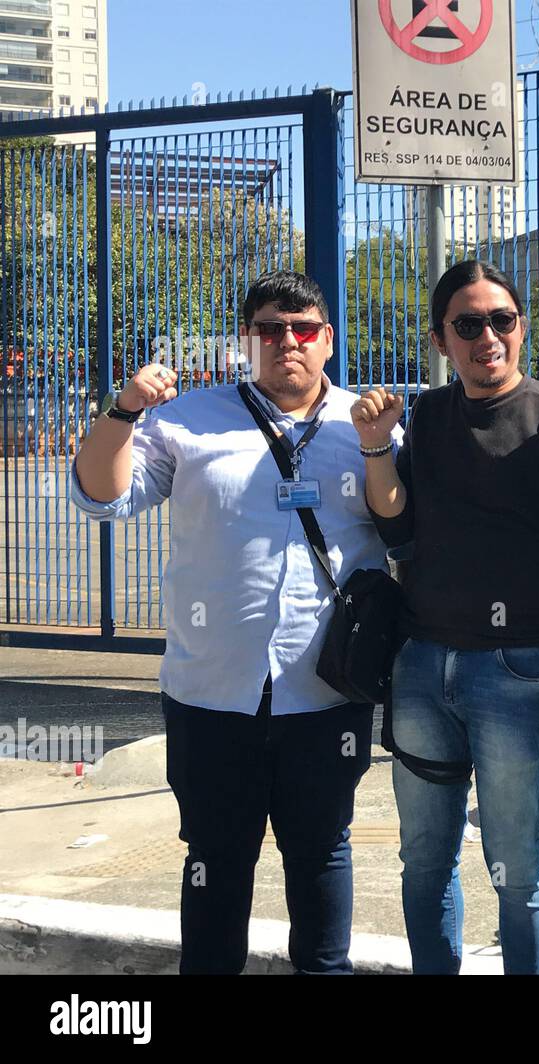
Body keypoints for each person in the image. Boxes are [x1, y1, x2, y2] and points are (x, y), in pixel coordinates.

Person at [70, 270, 398, 974]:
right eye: (270, 330)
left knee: (322, 852)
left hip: (327, 692)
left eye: (303, 329)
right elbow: (102, 497)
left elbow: (405, 526)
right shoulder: (186, 420)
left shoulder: (367, 425)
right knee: (215, 858)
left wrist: (381, 447)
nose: (288, 342)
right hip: (211, 694)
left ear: (327, 340)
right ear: (245, 341)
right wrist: (123, 408)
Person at [355, 259, 539, 975]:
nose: (487, 336)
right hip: (421, 664)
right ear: (442, 339)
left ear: (521, 327)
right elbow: (397, 532)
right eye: (468, 324)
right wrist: (378, 447)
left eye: (501, 319)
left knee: (517, 865)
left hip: (517, 669)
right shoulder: (429, 415)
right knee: (424, 860)